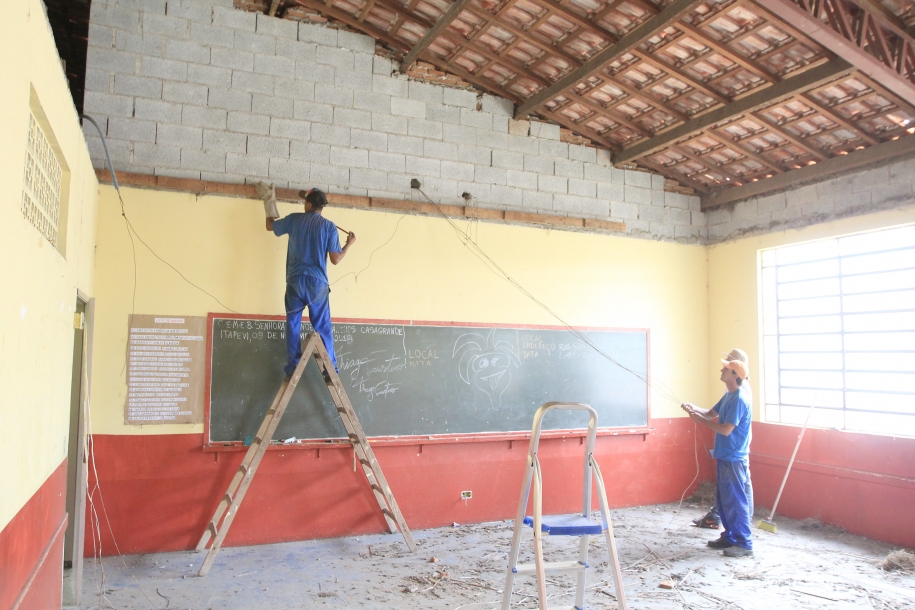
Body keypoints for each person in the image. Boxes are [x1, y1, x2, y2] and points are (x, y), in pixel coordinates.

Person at [265, 188, 355, 378]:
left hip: (295, 281)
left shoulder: (294, 220)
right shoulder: (329, 227)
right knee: (322, 327)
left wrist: (269, 203)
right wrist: (349, 243)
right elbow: (336, 259)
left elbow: (270, 226)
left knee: (293, 324)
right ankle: (330, 370)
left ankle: (293, 367)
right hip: (317, 284)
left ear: (308, 204)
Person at [681, 349, 754, 557]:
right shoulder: (728, 395)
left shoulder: (739, 398)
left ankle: (744, 544)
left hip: (734, 457)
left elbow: (726, 429)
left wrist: (701, 421)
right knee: (724, 502)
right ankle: (729, 537)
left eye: (726, 368)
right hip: (725, 455)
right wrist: (694, 409)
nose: (722, 371)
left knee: (736, 501)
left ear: (735, 374)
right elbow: (711, 413)